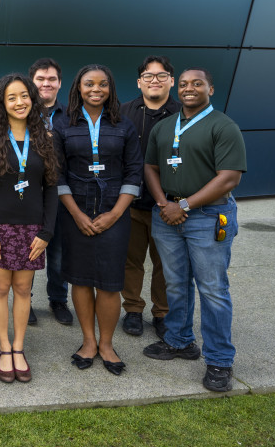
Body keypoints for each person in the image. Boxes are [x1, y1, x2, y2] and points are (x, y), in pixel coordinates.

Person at [142, 68, 246, 393]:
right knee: (175, 284)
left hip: (207, 216)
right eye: (184, 84)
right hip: (167, 216)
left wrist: (183, 206)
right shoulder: (163, 127)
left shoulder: (223, 126)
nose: (189, 89)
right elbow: (151, 167)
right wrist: (163, 204)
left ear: (210, 89)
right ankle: (179, 340)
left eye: (197, 84)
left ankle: (219, 360)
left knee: (212, 289)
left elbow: (229, 177)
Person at [54, 65, 142, 375]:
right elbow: (57, 173)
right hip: (74, 212)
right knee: (79, 278)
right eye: (89, 83)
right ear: (78, 88)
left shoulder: (124, 126)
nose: (96, 89)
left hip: (114, 211)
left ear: (111, 89)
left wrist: (116, 214)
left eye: (103, 84)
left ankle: (106, 344)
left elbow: (134, 171)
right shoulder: (63, 125)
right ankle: (88, 341)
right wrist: (77, 214)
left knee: (108, 283)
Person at [0, 74, 59, 383]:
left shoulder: (46, 140)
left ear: (32, 99)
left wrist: (46, 233)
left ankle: (19, 348)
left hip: (32, 230)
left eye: (24, 96)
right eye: (12, 97)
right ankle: (4, 347)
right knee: (0, 288)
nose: (19, 102)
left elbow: (52, 190)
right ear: (2, 103)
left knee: (23, 289)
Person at [119, 56, 180, 339]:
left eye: (161, 75)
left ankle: (162, 313)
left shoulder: (184, 114)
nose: (154, 80)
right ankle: (132, 309)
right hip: (131, 203)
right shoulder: (123, 112)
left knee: (165, 263)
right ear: (139, 82)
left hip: (168, 206)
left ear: (171, 79)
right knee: (131, 261)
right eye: (148, 75)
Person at [27, 58, 73, 326]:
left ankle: (58, 299)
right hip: (29, 195)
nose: (46, 84)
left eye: (51, 79)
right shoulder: (21, 112)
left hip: (63, 193)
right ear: (32, 82)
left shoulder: (70, 116)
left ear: (59, 83)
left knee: (58, 252)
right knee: (30, 249)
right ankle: (26, 300)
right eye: (41, 79)